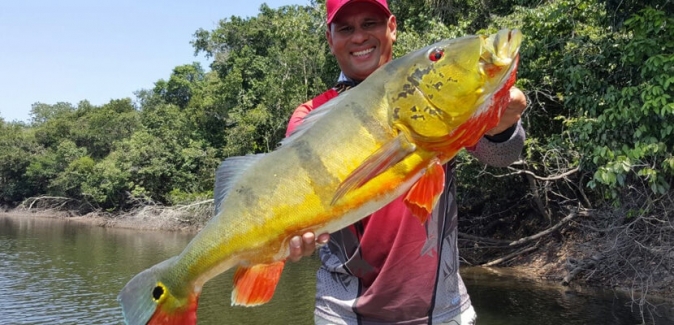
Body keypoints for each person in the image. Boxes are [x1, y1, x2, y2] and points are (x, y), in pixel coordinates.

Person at [285, 0, 527, 324]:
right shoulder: (309, 118)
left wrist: (501, 127)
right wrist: (290, 240)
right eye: (345, 28)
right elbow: (290, 205)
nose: (359, 37)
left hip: (441, 312)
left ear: (392, 28)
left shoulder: (428, 86)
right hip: (343, 314)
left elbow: (501, 155)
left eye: (369, 23)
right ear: (330, 39)